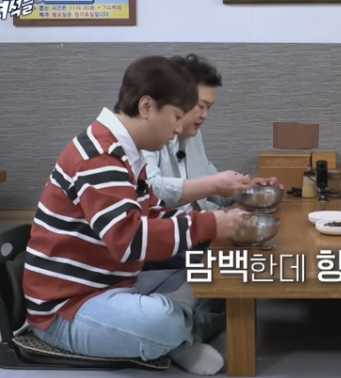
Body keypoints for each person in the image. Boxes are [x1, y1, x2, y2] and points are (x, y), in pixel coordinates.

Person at [22, 55, 248, 376]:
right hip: (68, 308)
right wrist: (208, 224)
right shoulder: (99, 156)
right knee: (164, 321)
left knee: (208, 274)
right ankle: (179, 336)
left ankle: (172, 336)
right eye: (176, 116)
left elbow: (149, 211)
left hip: (117, 282)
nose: (177, 129)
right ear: (146, 106)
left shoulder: (124, 151)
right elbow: (128, 240)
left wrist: (211, 224)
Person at [142, 54, 279, 271]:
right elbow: (151, 189)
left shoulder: (193, 134)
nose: (205, 115)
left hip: (198, 233)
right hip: (168, 245)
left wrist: (243, 189)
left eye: (209, 108)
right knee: (252, 266)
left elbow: (209, 181)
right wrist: (215, 185)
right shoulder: (146, 137)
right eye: (200, 106)